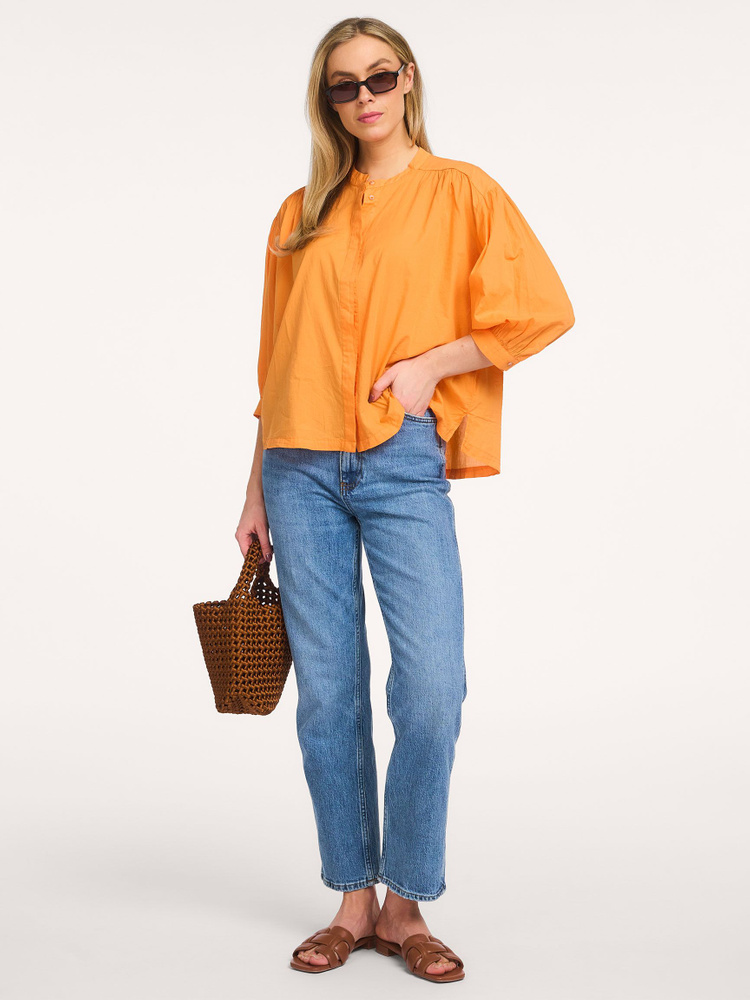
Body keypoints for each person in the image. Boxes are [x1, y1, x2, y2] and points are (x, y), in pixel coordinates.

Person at [235, 17, 575, 984]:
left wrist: (433, 364)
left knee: (431, 691)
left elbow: (539, 309)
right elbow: (275, 363)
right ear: (327, 101)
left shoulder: (463, 191)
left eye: (378, 77)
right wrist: (253, 487)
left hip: (399, 462)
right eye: (343, 85)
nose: (364, 97)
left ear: (409, 79)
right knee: (328, 695)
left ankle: (406, 904)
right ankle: (352, 899)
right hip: (297, 467)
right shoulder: (299, 212)